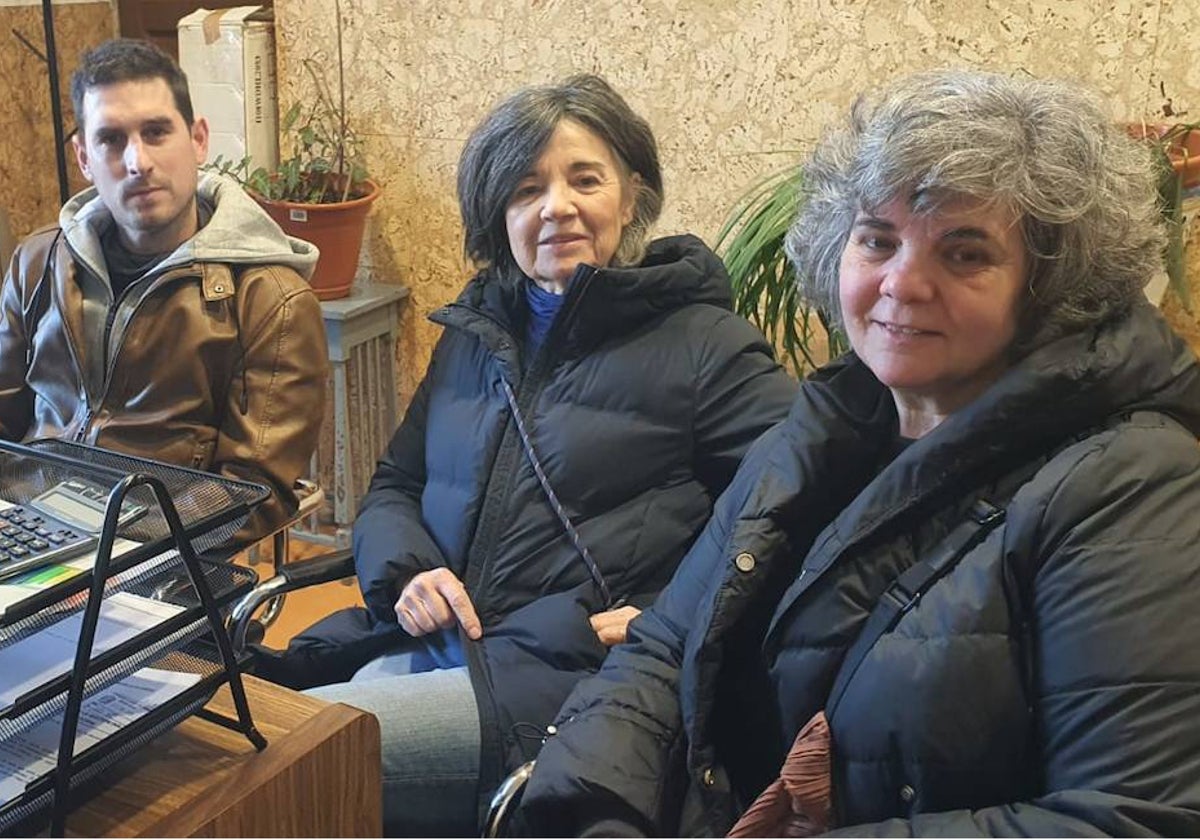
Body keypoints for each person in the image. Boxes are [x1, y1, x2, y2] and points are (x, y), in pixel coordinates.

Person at [517, 69, 1200, 837]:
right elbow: (667, 646)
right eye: (877, 239)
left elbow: (1133, 821)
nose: (902, 283)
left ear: (1051, 285)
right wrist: (592, 815)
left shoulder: (1134, 484)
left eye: (965, 253)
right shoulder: (821, 430)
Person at [299, 74, 796, 835]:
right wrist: (406, 571)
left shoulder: (706, 347)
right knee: (239, 728)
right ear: (499, 216)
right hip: (428, 643)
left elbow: (795, 514)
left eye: (584, 179)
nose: (555, 206)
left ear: (631, 197)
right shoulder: (473, 336)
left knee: (293, 764)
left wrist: (674, 618)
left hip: (569, 685)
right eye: (526, 188)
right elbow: (395, 484)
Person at [0, 38, 327, 539]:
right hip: (28, 527)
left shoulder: (269, 300)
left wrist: (118, 556)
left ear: (197, 139)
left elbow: (251, 491)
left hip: (161, 564)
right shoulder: (38, 262)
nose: (138, 161)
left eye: (156, 132)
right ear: (84, 156)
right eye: (111, 139)